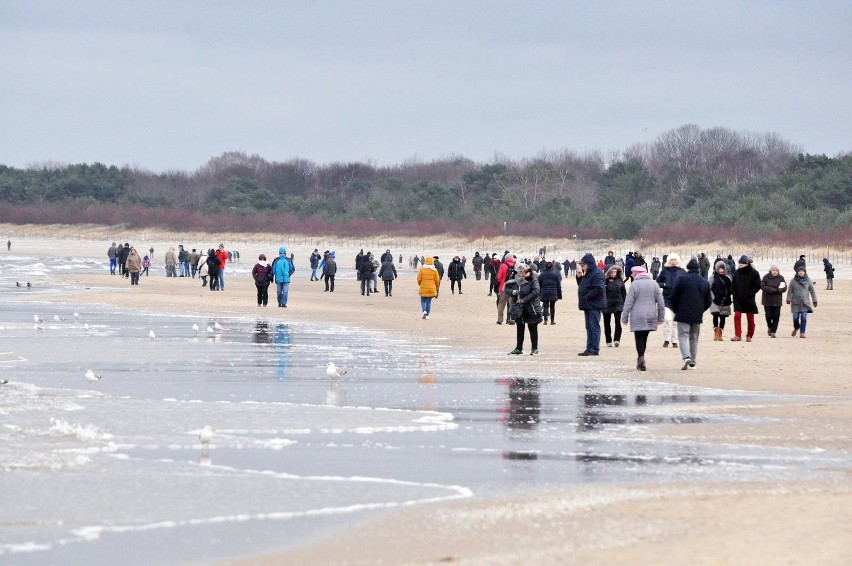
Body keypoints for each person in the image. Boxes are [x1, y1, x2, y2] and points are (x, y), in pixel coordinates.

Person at [621, 265, 665, 371]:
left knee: (639, 337)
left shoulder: (634, 285)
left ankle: (641, 357)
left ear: (636, 274)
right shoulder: (654, 284)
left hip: (637, 315)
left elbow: (628, 302)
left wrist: (624, 316)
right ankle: (641, 357)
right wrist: (661, 316)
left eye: (633, 274)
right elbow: (661, 302)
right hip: (651, 314)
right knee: (644, 337)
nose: (632, 275)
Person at [670, 257, 712, 370]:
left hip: (682, 312)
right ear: (698, 269)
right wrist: (701, 309)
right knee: (694, 338)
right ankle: (692, 360)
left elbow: (674, 296)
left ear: (688, 268)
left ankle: (686, 357)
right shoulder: (704, 282)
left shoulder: (682, 279)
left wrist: (675, 309)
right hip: (697, 314)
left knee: (683, 335)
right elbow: (709, 300)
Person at [506, 264, 542, 355]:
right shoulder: (514, 280)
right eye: (519, 272)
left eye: (523, 271)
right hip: (518, 308)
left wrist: (524, 300)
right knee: (520, 328)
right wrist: (512, 292)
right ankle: (518, 348)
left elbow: (536, 292)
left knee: (532, 327)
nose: (521, 273)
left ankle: (534, 348)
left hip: (531, 307)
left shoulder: (533, 279)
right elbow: (507, 288)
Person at [576, 253, 605, 356]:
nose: (582, 266)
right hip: (588, 305)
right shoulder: (587, 273)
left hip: (594, 305)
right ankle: (589, 348)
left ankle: (594, 348)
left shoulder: (597, 273)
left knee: (593, 326)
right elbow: (583, 286)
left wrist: (587, 296)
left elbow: (599, 289)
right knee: (589, 327)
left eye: (583, 264)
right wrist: (579, 277)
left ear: (589, 264)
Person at [656, 253, 684, 347]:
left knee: (676, 321)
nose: (673, 262)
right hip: (667, 298)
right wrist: (664, 284)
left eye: (675, 260)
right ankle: (666, 339)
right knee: (668, 319)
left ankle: (675, 341)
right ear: (668, 261)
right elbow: (658, 282)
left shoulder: (682, 271)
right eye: (671, 260)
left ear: (678, 261)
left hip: (678, 299)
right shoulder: (665, 271)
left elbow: (686, 283)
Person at [731, 255, 761, 342]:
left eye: (742, 265)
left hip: (749, 299)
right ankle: (737, 335)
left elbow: (757, 285)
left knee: (750, 318)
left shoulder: (754, 273)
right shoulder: (737, 272)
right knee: (737, 316)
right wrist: (733, 293)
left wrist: (750, 293)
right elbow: (733, 285)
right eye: (739, 265)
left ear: (747, 264)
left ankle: (749, 335)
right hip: (738, 299)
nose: (740, 267)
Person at [787, 266, 817, 338]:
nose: (801, 272)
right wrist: (788, 299)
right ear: (797, 272)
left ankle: (802, 333)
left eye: (802, 271)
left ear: (805, 272)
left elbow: (812, 291)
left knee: (803, 317)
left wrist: (814, 300)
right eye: (799, 271)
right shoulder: (793, 280)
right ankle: (796, 328)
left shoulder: (808, 280)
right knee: (795, 318)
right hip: (795, 303)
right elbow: (790, 291)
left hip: (805, 303)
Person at [760, 265, 787, 338]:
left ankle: (773, 332)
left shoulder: (781, 278)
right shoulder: (766, 277)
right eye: (773, 270)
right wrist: (771, 289)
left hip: (777, 300)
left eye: (776, 270)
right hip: (767, 300)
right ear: (770, 271)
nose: (775, 272)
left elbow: (784, 287)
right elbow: (762, 286)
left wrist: (780, 290)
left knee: (776, 316)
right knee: (768, 315)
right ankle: (769, 326)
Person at [709, 260, 733, 341]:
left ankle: (720, 332)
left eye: (722, 269)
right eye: (719, 269)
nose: (721, 270)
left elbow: (731, 289)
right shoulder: (712, 277)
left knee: (723, 317)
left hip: (725, 300)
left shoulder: (728, 278)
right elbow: (709, 288)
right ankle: (716, 332)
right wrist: (712, 297)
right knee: (715, 315)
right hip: (715, 300)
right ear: (716, 269)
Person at [603, 265, 626, 347]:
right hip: (606, 305)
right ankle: (608, 340)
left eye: (615, 272)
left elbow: (624, 293)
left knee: (618, 322)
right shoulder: (604, 282)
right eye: (611, 272)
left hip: (618, 304)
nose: (613, 274)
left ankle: (617, 339)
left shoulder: (620, 281)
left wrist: (625, 303)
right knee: (606, 323)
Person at [495, 255, 517, 324]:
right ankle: (510, 319)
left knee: (501, 304)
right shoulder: (516, 265)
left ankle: (500, 319)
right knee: (511, 304)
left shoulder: (503, 265)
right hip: (513, 288)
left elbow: (499, 277)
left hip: (503, 287)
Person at [538, 261, 561, 325]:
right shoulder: (555, 275)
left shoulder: (541, 275)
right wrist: (559, 295)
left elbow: (539, 285)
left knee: (545, 306)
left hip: (544, 292)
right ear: (552, 267)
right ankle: (552, 321)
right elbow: (558, 285)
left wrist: (539, 294)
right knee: (552, 306)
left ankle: (545, 320)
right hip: (553, 292)